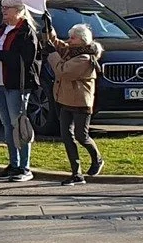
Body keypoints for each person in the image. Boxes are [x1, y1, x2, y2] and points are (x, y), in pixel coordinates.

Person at [45, 22, 106, 184]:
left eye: (73, 38)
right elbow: (57, 43)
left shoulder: (85, 58)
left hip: (80, 102)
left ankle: (97, 158)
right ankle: (76, 173)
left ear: (83, 40)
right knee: (66, 136)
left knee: (81, 135)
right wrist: (48, 27)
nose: (70, 41)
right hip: (65, 100)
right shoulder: (72, 52)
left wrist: (52, 54)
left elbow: (63, 71)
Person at [0, 0, 43, 182]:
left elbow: (25, 58)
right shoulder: (3, 29)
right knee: (7, 125)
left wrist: (0, 55)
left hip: (16, 84)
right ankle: (14, 163)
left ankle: (25, 167)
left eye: (7, 8)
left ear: (19, 11)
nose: (3, 11)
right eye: (3, 8)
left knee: (19, 124)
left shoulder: (26, 32)